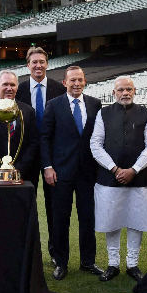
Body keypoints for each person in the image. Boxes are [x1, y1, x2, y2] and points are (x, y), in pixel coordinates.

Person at [90, 76, 147, 283]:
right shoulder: (103, 113)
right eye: (121, 90)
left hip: (139, 178)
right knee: (112, 221)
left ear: (135, 91)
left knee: (136, 221)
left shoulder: (146, 113)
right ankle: (113, 264)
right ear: (114, 92)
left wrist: (134, 170)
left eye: (129, 89)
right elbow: (95, 144)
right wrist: (114, 168)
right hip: (109, 178)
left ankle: (132, 264)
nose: (125, 93)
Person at [40, 65, 103, 280]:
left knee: (88, 218)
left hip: (88, 173)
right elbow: (45, 138)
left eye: (80, 80)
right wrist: (47, 167)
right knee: (60, 219)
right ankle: (61, 263)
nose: (76, 83)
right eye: (72, 80)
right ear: (64, 82)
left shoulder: (95, 104)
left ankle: (88, 261)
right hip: (60, 172)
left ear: (85, 81)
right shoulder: (53, 105)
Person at [16, 46, 65, 266]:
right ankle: (28, 252)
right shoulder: (19, 89)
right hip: (26, 156)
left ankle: (55, 252)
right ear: (28, 65)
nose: (38, 65)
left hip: (52, 158)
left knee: (54, 207)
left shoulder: (58, 88)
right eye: (34, 62)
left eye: (42, 62)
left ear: (47, 64)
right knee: (26, 205)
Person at [0, 70, 38, 184]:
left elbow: (33, 142)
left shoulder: (28, 111)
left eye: (12, 85)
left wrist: (19, 168)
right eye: (5, 84)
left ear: (17, 87)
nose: (9, 88)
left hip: (22, 174)